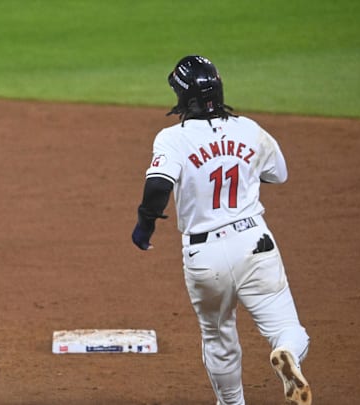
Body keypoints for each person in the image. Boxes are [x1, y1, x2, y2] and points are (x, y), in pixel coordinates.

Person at [131, 55, 311, 405]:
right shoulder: (249, 129)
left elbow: (157, 187)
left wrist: (145, 225)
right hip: (255, 243)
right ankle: (287, 352)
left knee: (218, 336)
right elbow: (278, 174)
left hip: (204, 256)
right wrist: (237, 166)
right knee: (289, 328)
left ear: (183, 97)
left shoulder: (173, 138)